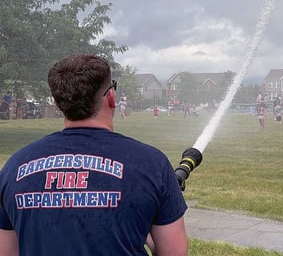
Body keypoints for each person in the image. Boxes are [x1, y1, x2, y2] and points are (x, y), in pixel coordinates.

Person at [0, 54, 188, 256]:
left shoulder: (14, 167)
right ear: (111, 97)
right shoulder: (152, 164)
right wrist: (147, 231)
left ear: (57, 103)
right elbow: (174, 252)